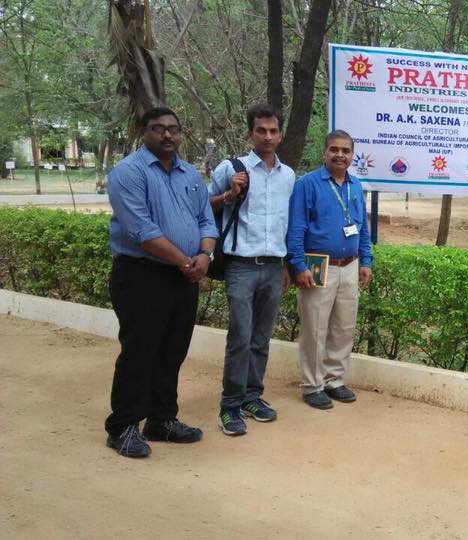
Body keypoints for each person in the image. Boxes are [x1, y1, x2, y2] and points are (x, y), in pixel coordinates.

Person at [104, 107, 218, 458]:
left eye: (173, 128)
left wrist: (205, 256)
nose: (167, 135)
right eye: (158, 128)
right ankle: (123, 426)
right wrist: (186, 261)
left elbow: (206, 221)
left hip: (184, 277)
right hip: (142, 276)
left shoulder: (190, 174)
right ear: (144, 131)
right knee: (140, 351)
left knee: (172, 350)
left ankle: (161, 420)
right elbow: (141, 231)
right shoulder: (128, 173)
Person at [208, 104, 296, 436]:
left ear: (280, 134)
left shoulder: (288, 176)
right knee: (240, 338)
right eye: (261, 130)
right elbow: (201, 207)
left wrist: (287, 265)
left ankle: (251, 397)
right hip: (241, 267)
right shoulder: (232, 168)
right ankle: (230, 406)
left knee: (261, 338)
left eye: (273, 131)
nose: (268, 136)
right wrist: (229, 194)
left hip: (273, 267)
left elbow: (286, 223)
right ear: (250, 133)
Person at [286, 130, 373, 410]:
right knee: (315, 328)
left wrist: (366, 261)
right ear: (325, 152)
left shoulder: (356, 185)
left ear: (352, 155)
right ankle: (312, 385)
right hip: (317, 265)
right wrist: (298, 265)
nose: (340, 155)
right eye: (334, 149)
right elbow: (296, 228)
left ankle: (334, 380)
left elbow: (363, 228)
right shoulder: (307, 184)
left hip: (350, 265)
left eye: (346, 151)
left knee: (343, 327)